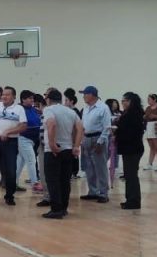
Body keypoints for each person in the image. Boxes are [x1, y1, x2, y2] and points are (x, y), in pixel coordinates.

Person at [0, 86, 27, 206]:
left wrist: (8, 132)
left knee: (11, 170)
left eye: (7, 95)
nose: (4, 97)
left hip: (11, 143)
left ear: (14, 96)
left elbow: (23, 126)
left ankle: (9, 196)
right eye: (3, 94)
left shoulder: (19, 109)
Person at [41, 89, 82, 219]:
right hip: (68, 150)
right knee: (65, 181)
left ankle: (56, 209)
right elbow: (80, 128)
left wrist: (52, 144)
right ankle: (63, 208)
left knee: (52, 180)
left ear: (48, 99)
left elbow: (52, 124)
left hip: (54, 151)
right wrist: (76, 146)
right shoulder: (70, 111)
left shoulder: (49, 110)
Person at [79, 86, 112, 203]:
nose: (83, 97)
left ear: (91, 95)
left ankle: (103, 193)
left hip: (98, 138)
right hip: (87, 138)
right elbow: (83, 125)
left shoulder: (103, 108)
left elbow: (107, 127)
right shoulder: (86, 108)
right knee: (89, 167)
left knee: (100, 167)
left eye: (85, 94)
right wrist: (82, 140)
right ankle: (93, 191)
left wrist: (100, 142)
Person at [115, 93, 146, 210]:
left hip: (133, 148)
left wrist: (117, 132)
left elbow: (130, 132)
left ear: (132, 102)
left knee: (131, 175)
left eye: (126, 100)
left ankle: (134, 201)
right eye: (122, 100)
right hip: (129, 148)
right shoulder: (128, 113)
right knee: (128, 175)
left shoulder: (134, 114)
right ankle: (130, 199)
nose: (123, 103)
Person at [16, 90, 42, 193]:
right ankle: (35, 184)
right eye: (30, 98)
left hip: (33, 140)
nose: (32, 100)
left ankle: (12, 183)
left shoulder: (33, 109)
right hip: (23, 138)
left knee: (20, 162)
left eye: (32, 98)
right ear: (23, 99)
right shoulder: (19, 109)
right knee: (31, 160)